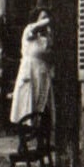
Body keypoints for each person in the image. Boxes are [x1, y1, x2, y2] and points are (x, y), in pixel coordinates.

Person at [9, 7, 55, 143]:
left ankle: (42, 142)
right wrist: (50, 19)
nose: (45, 21)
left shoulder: (47, 36)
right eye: (42, 17)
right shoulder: (29, 31)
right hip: (29, 72)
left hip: (43, 72)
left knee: (43, 106)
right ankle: (23, 142)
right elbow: (36, 27)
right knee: (27, 106)